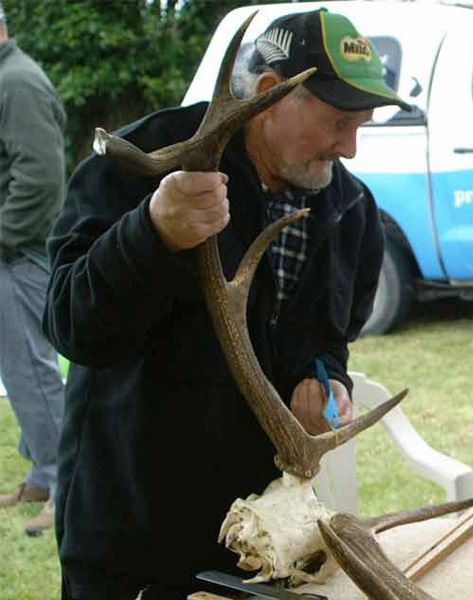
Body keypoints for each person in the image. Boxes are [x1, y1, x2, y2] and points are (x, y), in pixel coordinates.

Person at [43, 9, 409, 599]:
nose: (350, 148)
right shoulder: (140, 163)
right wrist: (151, 233)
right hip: (133, 537)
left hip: (257, 543)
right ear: (267, 96)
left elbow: (326, 335)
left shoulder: (349, 211)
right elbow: (71, 323)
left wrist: (324, 379)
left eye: (361, 126)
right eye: (339, 122)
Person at [0, 0, 68, 537]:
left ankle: (67, 487)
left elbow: (41, 178)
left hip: (19, 252)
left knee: (33, 371)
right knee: (18, 371)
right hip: (12, 248)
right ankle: (44, 475)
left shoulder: (17, 83)